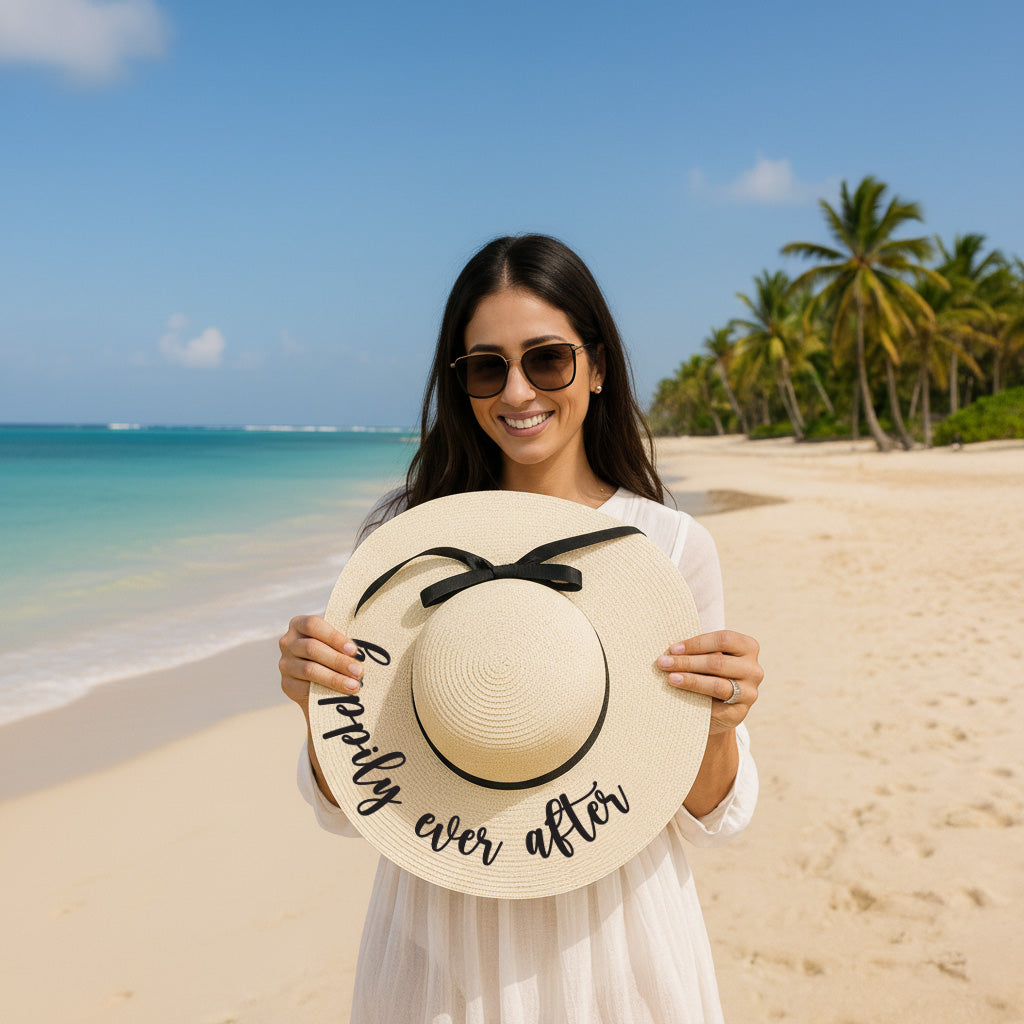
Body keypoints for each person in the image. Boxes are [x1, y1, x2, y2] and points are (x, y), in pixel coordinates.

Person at [279, 234, 764, 1023]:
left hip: (614, 940)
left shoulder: (671, 549)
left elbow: (706, 815)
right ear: (459, 384)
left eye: (547, 359)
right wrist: (314, 708)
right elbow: (353, 800)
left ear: (597, 366)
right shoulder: (406, 550)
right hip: (440, 940)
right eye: (485, 366)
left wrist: (720, 725)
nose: (517, 390)